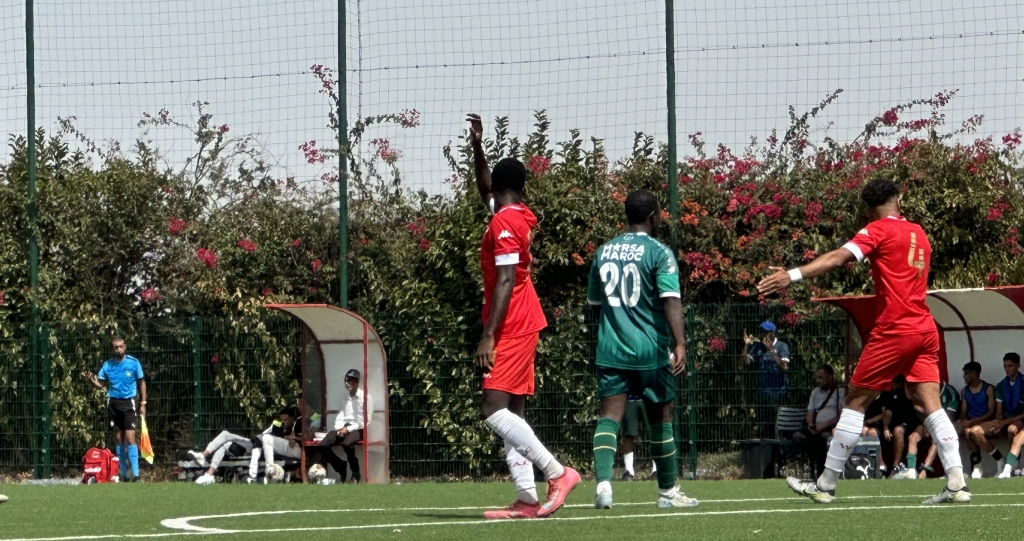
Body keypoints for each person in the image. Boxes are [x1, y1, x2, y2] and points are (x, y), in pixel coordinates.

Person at [758, 177, 970, 504]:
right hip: (925, 327)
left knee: (855, 403)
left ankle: (825, 485)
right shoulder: (919, 232)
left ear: (869, 209)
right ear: (899, 200)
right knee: (930, 405)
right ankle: (956, 480)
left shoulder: (877, 230)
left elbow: (838, 258)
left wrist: (792, 274)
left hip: (894, 329)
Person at [466, 113, 579, 520]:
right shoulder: (509, 213)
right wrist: (478, 148)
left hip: (512, 323)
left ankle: (558, 472)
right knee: (513, 414)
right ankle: (527, 499)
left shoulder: (505, 222)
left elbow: (507, 279)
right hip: (521, 320)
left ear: (499, 189)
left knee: (492, 410)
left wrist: (488, 336)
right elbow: (484, 185)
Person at [587, 189, 695, 510]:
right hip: (651, 351)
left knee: (609, 417)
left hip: (611, 349)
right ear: (653, 216)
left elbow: (595, 304)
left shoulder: (603, 251)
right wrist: (680, 342)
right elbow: (670, 300)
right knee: (661, 419)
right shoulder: (660, 253)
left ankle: (604, 485)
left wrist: (615, 327)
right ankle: (667, 494)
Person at [81, 337, 147, 482]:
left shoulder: (133, 363)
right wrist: (91, 378)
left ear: (125, 347)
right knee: (119, 439)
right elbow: (101, 384)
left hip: (129, 403)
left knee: (130, 438)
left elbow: (141, 383)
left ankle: (136, 474)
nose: (119, 349)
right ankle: (123, 474)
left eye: (121, 347)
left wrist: (143, 403)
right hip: (113, 404)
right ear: (113, 349)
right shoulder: (108, 365)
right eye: (116, 347)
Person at [967, 352, 1023, 478]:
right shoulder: (1001, 385)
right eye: (1005, 366)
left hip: (1018, 420)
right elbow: (998, 412)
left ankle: (1015, 465)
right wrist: (997, 422)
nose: (1007, 369)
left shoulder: (1023, 383)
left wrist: (1004, 422)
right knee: (974, 431)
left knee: (1012, 429)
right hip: (1005, 420)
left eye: (1011, 366)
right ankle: (999, 459)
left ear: (1018, 365)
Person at [315, 369, 372, 484]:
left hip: (358, 428)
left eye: (350, 381)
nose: (347, 383)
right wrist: (339, 428)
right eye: (346, 380)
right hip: (344, 426)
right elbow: (342, 414)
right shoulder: (345, 398)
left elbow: (365, 421)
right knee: (324, 444)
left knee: (347, 444)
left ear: (357, 382)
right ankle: (340, 466)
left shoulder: (366, 398)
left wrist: (348, 429)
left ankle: (355, 473)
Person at [795, 365, 845, 478]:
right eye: (816, 377)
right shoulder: (815, 392)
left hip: (828, 427)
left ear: (829, 377)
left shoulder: (839, 391)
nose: (818, 380)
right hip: (814, 427)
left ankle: (820, 471)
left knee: (823, 439)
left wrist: (823, 425)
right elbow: (810, 412)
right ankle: (811, 466)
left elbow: (839, 415)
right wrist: (810, 425)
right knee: (798, 436)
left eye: (821, 377)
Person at [744, 321, 790, 438]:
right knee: (764, 423)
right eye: (761, 332)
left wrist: (771, 350)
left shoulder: (782, 346)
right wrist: (746, 345)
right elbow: (745, 362)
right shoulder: (758, 346)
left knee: (776, 422)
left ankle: (779, 447)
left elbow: (784, 367)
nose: (762, 335)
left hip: (777, 392)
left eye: (765, 332)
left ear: (772, 333)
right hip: (763, 392)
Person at [909, 379, 960, 479]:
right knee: (913, 437)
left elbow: (950, 415)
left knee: (937, 439)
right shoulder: (924, 390)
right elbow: (919, 409)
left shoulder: (950, 392)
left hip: (944, 424)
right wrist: (926, 425)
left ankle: (924, 470)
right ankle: (910, 471)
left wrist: (933, 426)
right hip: (926, 423)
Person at [957, 361, 995, 478]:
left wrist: (973, 421)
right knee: (963, 431)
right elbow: (964, 411)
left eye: (967, 373)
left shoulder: (988, 389)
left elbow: (991, 411)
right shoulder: (964, 391)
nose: (964, 376)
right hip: (971, 422)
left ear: (974, 374)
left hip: (986, 422)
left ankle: (996, 459)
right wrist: (962, 421)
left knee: (972, 431)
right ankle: (975, 466)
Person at [247, 406, 303, 484]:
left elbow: (300, 438)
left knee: (266, 438)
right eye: (281, 420)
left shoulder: (298, 423)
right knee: (260, 438)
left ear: (292, 419)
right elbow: (262, 436)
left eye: (285, 420)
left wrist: (292, 437)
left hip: (296, 448)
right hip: (285, 447)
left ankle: (270, 472)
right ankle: (253, 474)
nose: (283, 422)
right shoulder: (277, 426)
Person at [881, 376, 919, 479]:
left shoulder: (911, 392)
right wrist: (885, 428)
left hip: (914, 424)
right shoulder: (890, 395)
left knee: (898, 430)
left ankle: (898, 467)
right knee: (895, 430)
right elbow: (888, 414)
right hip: (896, 426)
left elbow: (911, 397)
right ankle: (889, 468)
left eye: (896, 381)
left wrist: (906, 385)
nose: (893, 384)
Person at [189, 431, 253, 485]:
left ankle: (203, 456)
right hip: (248, 443)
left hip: (250, 446)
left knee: (225, 435)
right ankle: (209, 474)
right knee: (225, 442)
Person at [619, 394, 654, 481]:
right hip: (629, 399)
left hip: (649, 399)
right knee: (628, 435)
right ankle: (629, 471)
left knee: (655, 433)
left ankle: (656, 471)